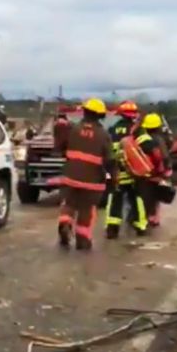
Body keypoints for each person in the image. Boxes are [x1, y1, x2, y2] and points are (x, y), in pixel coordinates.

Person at [58, 98, 117, 251]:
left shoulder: (73, 129)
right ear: (101, 115)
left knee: (69, 204)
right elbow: (110, 161)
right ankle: (83, 240)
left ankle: (65, 223)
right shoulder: (103, 135)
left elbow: (62, 148)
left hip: (70, 177)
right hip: (92, 181)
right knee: (86, 209)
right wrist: (112, 179)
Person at [105, 100, 147, 238]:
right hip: (133, 172)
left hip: (117, 171)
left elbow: (108, 151)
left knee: (114, 198)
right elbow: (146, 148)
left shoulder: (112, 129)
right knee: (137, 198)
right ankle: (140, 226)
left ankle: (112, 228)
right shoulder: (137, 130)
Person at [134, 113, 171, 228]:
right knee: (157, 195)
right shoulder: (159, 139)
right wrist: (166, 170)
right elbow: (164, 156)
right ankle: (154, 218)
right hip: (157, 172)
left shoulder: (140, 139)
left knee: (144, 196)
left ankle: (145, 217)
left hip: (143, 172)